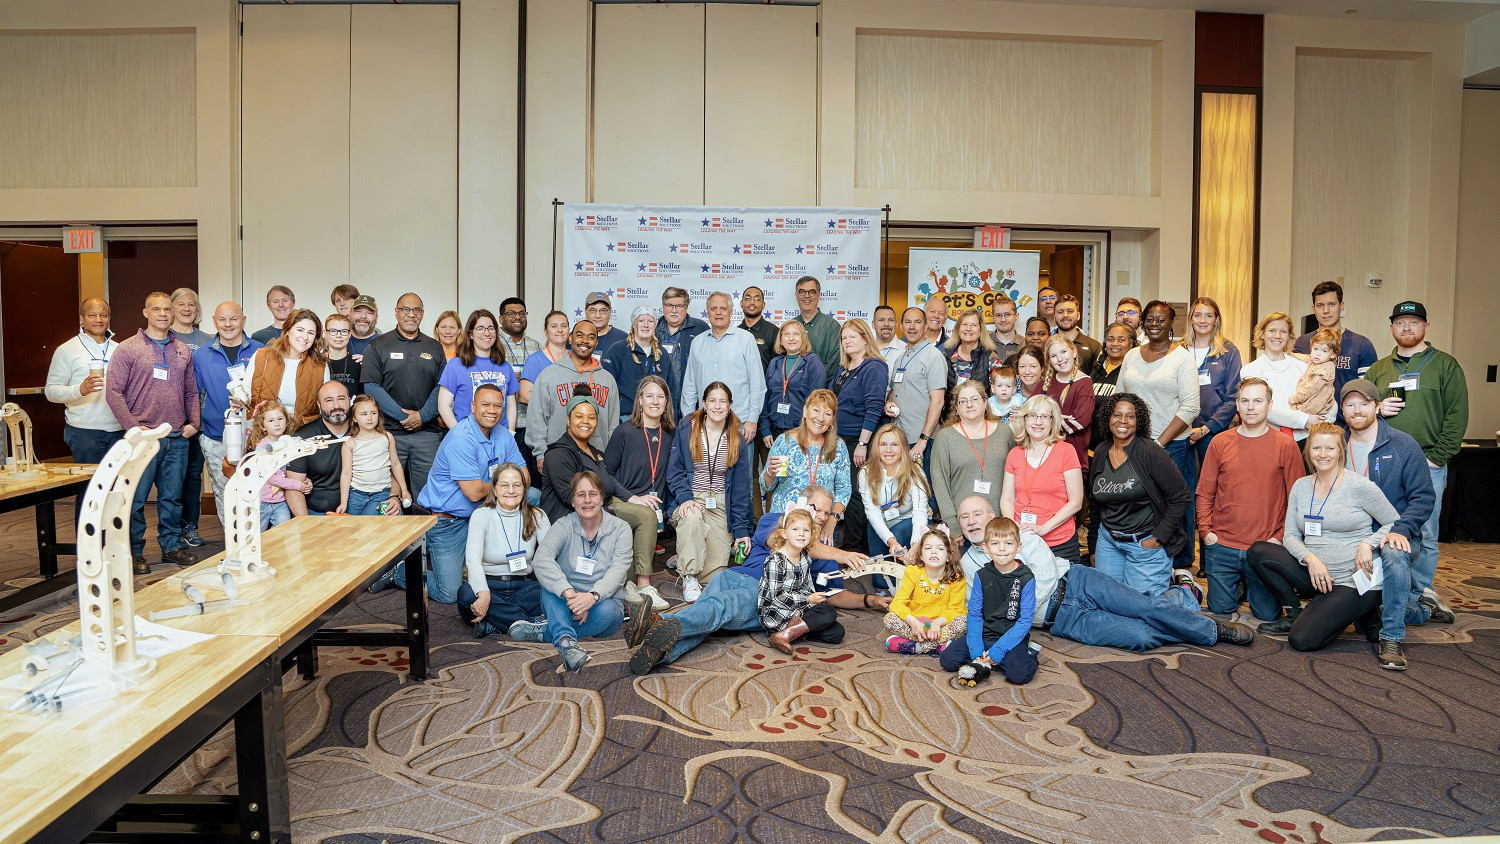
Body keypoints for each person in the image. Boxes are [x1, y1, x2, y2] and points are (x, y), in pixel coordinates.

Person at [621, 484, 886, 675]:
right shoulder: (776, 521)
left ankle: (654, 625)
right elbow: (786, 541)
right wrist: (843, 554)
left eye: (827, 513)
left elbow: (834, 595)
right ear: (802, 503)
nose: (821, 515)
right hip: (731, 575)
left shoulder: (825, 554)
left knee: (716, 610)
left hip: (763, 592)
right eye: (816, 508)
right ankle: (660, 653)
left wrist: (870, 599)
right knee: (708, 616)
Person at [956, 495, 1254, 651]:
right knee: (1139, 636)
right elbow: (979, 606)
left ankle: (1212, 630)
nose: (971, 521)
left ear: (992, 515)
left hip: (1076, 583)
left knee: (1144, 606)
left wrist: (1016, 609)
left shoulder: (1021, 535)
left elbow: (1044, 578)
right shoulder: (969, 563)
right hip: (1062, 621)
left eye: (977, 514)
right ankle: (1182, 596)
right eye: (964, 517)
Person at [1246, 424, 1403, 668]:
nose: (1323, 454)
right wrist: (1311, 559)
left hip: (1353, 581)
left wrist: (1367, 543)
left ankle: (1358, 611)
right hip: (1317, 574)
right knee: (1258, 551)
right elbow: (1289, 536)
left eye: (1329, 448)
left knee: (1301, 639)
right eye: (1316, 448)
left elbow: (1394, 522)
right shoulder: (1300, 486)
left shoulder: (1360, 486)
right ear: (1308, 451)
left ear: (1340, 451)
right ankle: (1298, 612)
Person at [1364, 300, 1468, 601]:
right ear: (1392, 328)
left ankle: (1420, 591)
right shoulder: (1379, 369)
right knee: (1379, 525)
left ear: (1426, 326)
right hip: (1384, 461)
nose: (1406, 327)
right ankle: (1383, 588)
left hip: (1427, 461)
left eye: (1413, 322)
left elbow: (1457, 415)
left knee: (1425, 530)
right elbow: (1357, 410)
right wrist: (1378, 408)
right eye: (1399, 322)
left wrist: (1437, 457)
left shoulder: (1445, 365)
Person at [1338, 379, 1452, 648]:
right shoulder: (1334, 444)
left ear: (1377, 407)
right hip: (1351, 534)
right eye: (1350, 405)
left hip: (1394, 532)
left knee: (1393, 552)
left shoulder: (1403, 445)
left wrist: (1400, 529)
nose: (1357, 410)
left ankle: (1390, 638)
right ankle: (1420, 608)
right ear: (1342, 410)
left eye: (1364, 404)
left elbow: (1423, 497)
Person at [392, 384, 525, 603]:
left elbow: (525, 477)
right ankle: (398, 572)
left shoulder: (503, 433)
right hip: (448, 522)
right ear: (473, 406)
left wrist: (505, 487)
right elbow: (473, 493)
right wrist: (508, 484)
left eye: (497, 405)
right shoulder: (461, 438)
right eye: (485, 405)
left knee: (533, 496)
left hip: (483, 513)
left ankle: (523, 570)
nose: (492, 410)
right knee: (450, 593)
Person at [104, 292, 200, 574]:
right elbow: (113, 393)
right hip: (142, 440)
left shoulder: (182, 349)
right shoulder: (128, 349)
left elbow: (191, 391)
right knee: (134, 499)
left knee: (172, 497)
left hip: (176, 438)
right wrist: (133, 428)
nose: (162, 314)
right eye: (156, 309)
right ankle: (133, 552)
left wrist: (193, 422)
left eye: (167, 309)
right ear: (145, 312)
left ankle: (171, 547)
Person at [1196, 378, 1305, 619]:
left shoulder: (1286, 445)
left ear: (1269, 405)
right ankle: (1236, 586)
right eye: (1245, 401)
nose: (1251, 407)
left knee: (1267, 614)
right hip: (1222, 544)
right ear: (1237, 404)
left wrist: (1279, 538)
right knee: (1221, 609)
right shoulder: (1220, 442)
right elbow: (1205, 492)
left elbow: (1298, 499)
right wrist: (1206, 532)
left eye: (1258, 401)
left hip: (1264, 548)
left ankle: (1248, 585)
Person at [510, 471, 632, 672]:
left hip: (602, 603)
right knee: (549, 585)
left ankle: (548, 632)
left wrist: (591, 598)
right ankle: (566, 642)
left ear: (602, 498)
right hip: (564, 602)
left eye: (592, 494)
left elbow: (618, 571)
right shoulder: (563, 525)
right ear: (573, 501)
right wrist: (569, 594)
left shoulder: (621, 529)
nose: (587, 501)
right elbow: (541, 559)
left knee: (610, 613)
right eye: (580, 495)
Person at [1088, 393, 1193, 602]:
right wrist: (1094, 544)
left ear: (1139, 421)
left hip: (1144, 543)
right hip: (1109, 541)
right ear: (1108, 418)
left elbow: (1181, 496)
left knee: (1143, 609)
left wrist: (1158, 538)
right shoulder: (1101, 451)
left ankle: (1186, 593)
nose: (1123, 421)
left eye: (1130, 416)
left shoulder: (1150, 452)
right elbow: (1094, 500)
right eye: (1117, 415)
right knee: (1111, 603)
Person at [1118, 300, 1199, 568]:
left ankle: (1181, 562)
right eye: (1149, 319)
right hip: (1133, 442)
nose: (1154, 324)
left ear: (1171, 323)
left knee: (1174, 502)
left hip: (1171, 444)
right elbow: (1121, 396)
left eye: (1160, 320)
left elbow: (1191, 407)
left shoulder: (1182, 358)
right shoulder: (1131, 355)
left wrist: (1159, 443)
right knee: (1141, 501)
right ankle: (1146, 555)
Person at [666, 382, 753, 602]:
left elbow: (742, 489)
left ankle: (687, 553)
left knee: (713, 577)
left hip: (721, 503)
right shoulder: (687, 428)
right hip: (691, 496)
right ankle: (688, 575)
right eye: (712, 401)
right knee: (692, 517)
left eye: (722, 401)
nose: (717, 406)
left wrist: (741, 529)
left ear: (730, 405)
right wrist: (685, 498)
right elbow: (674, 471)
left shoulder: (737, 438)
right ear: (704, 404)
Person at [362, 293, 451, 499]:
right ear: (396, 312)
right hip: (391, 434)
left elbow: (442, 387)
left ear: (422, 314)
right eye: (405, 309)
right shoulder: (378, 346)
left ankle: (425, 532)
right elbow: (372, 387)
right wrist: (404, 417)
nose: (411, 315)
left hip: (427, 434)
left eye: (416, 310)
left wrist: (422, 416)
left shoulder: (434, 347)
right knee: (388, 494)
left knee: (428, 495)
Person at [604, 375, 676, 608]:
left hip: (653, 503)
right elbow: (605, 473)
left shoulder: (671, 434)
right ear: (640, 401)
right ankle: (646, 585)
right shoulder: (624, 432)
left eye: (660, 396)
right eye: (649, 396)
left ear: (666, 403)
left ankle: (632, 584)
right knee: (644, 514)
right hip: (620, 499)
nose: (655, 401)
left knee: (626, 581)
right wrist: (632, 497)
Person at [940, 516, 1038, 686]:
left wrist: (998, 651)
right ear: (985, 547)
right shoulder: (981, 575)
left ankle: (1030, 655)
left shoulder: (1026, 578)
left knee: (1019, 675)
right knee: (947, 660)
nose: (1001, 549)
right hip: (985, 634)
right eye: (995, 544)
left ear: (1018, 546)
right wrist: (976, 648)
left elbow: (1025, 621)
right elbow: (975, 614)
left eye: (1008, 543)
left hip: (1011, 637)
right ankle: (988, 656)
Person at [462, 462, 549, 638]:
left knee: (551, 595)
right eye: (504, 485)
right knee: (465, 595)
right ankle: (530, 625)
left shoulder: (537, 515)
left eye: (517, 485)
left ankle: (495, 624)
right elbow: (472, 559)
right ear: (494, 489)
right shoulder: (482, 515)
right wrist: (484, 594)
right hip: (489, 586)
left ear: (524, 490)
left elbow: (550, 557)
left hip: (524, 586)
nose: (511, 490)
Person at [828, 319, 889, 548]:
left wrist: (863, 444)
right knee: (845, 490)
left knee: (857, 493)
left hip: (859, 440)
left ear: (865, 338)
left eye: (853, 337)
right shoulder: (843, 368)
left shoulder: (873, 366)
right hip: (839, 439)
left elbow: (874, 407)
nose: (847, 342)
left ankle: (856, 545)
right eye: (844, 338)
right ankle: (852, 542)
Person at [1002, 395, 1085, 562]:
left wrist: (1043, 528)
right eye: (1032, 416)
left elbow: (1076, 502)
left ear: (1053, 421)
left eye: (1044, 416)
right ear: (1024, 420)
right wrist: (1013, 528)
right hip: (1023, 541)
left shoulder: (1066, 451)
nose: (1037, 422)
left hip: (1059, 543)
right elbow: (1007, 498)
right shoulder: (1014, 454)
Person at [525, 319, 620, 465]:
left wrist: (611, 458)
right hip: (557, 458)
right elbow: (536, 419)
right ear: (570, 338)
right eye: (580, 335)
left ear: (596, 343)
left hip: (597, 459)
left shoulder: (607, 379)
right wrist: (540, 455)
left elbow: (612, 425)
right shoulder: (549, 375)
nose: (585, 341)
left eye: (591, 337)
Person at [46, 297, 124, 469]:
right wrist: (79, 390)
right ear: (82, 318)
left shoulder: (120, 349)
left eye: (103, 315)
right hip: (85, 431)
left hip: (119, 429)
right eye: (92, 315)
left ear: (109, 318)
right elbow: (51, 391)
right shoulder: (67, 350)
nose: (98, 320)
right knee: (89, 490)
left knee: (115, 490)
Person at [680, 292, 767, 445]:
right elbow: (689, 386)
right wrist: (688, 421)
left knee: (740, 469)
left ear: (731, 312)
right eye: (713, 309)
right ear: (708, 312)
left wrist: (752, 420)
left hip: (739, 424)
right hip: (704, 425)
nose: (718, 313)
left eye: (723, 308)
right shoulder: (698, 342)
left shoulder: (745, 339)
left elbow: (757, 383)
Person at [757, 506, 845, 654]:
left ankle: (787, 634)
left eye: (806, 530)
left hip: (797, 610)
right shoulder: (776, 560)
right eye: (795, 529)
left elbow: (807, 585)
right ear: (784, 534)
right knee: (828, 612)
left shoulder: (804, 556)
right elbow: (777, 597)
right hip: (776, 612)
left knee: (837, 632)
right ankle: (784, 633)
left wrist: (815, 598)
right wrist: (808, 599)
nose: (801, 534)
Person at [931, 379, 1015, 533]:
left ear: (985, 403)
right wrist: (952, 523)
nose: (969, 405)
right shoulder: (945, 437)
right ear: (956, 408)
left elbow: (1017, 474)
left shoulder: (1005, 433)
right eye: (963, 401)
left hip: (1001, 522)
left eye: (974, 399)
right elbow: (939, 481)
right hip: (964, 525)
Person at [764, 389, 852, 532]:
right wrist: (770, 472)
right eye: (816, 410)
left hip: (820, 526)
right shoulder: (784, 441)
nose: (821, 418)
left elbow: (844, 489)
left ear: (832, 420)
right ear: (805, 411)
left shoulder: (838, 447)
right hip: (784, 522)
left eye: (827, 414)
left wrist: (831, 521)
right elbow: (767, 485)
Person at [166, 288, 212, 547]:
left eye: (191, 304)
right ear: (171, 308)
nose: (187, 309)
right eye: (181, 304)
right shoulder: (163, 337)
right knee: (172, 477)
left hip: (200, 419)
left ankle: (190, 527)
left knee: (194, 475)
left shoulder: (207, 340)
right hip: (171, 419)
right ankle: (170, 530)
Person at [1241, 311, 1325, 441]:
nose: (1278, 336)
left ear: (1289, 337)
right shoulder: (1250, 371)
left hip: (1305, 438)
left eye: (1283, 332)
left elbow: (1323, 396)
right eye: (1272, 330)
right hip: (1269, 439)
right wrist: (1304, 419)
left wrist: (1322, 420)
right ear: (1262, 334)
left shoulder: (1303, 367)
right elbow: (1263, 408)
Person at [1181, 297, 1242, 473]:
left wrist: (1207, 428)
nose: (1202, 321)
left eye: (1208, 316)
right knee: (1184, 486)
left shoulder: (1229, 351)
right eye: (1197, 315)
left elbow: (1234, 396)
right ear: (1190, 318)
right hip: (1181, 430)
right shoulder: (1179, 350)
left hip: (1215, 430)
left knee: (1213, 484)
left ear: (1216, 320)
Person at [1292, 280, 1379, 402]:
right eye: (1320, 305)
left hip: (1346, 419)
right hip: (1309, 417)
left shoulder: (1362, 345)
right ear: (1313, 308)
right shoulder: (1301, 343)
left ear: (1341, 306)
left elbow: (1370, 393)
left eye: (1331, 304)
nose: (1326, 310)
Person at [245, 308, 330, 432]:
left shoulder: (320, 365)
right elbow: (246, 392)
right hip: (263, 435)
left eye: (311, 333)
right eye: (300, 330)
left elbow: (324, 402)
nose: (305, 337)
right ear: (287, 331)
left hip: (302, 436)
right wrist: (240, 400)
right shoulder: (262, 356)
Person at [884, 528, 967, 654]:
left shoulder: (957, 578)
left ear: (949, 556)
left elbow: (956, 609)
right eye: (928, 548)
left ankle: (915, 646)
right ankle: (938, 645)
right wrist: (914, 623)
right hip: (916, 623)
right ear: (921, 556)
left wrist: (938, 623)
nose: (934, 552)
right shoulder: (913, 572)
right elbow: (897, 603)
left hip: (941, 624)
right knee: (889, 619)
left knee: (965, 621)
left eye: (940, 548)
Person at [884, 306, 947, 468]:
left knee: (923, 490)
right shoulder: (900, 358)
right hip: (900, 437)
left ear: (925, 326)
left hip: (920, 440)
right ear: (901, 327)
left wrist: (923, 440)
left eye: (917, 322)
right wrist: (889, 403)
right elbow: (894, 391)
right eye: (908, 322)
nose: (912, 327)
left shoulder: (934, 357)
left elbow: (938, 401)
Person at [858, 423, 930, 562]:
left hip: (909, 522)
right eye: (883, 444)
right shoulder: (866, 473)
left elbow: (920, 511)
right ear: (876, 448)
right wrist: (891, 541)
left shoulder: (915, 471)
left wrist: (916, 544)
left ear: (903, 447)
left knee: (906, 567)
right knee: (881, 580)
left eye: (895, 445)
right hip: (881, 523)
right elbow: (872, 512)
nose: (888, 450)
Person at [438, 309, 518, 432]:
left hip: (500, 438)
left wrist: (510, 433)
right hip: (467, 437)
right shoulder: (455, 365)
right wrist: (459, 434)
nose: (487, 333)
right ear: (470, 334)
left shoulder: (505, 367)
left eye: (491, 328)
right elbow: (443, 406)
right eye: (480, 328)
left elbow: (511, 405)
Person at [284, 381, 356, 517]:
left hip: (362, 509)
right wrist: (306, 523)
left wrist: (394, 496)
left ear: (349, 400)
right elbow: (293, 488)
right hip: (318, 514)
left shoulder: (365, 430)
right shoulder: (303, 438)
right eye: (329, 400)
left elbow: (388, 466)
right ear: (319, 405)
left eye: (341, 399)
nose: (336, 406)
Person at [338, 394, 411, 515]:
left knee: (369, 525)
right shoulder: (349, 443)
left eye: (373, 413)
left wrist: (404, 490)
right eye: (364, 414)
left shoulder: (386, 437)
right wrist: (343, 502)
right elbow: (346, 473)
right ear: (355, 418)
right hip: (356, 494)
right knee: (355, 529)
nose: (370, 418)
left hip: (381, 493)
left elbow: (395, 464)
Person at [518, 309, 570, 476]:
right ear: (546, 331)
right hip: (544, 433)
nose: (559, 330)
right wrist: (557, 401)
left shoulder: (575, 358)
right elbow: (525, 394)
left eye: (564, 326)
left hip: (570, 431)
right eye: (554, 326)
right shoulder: (536, 359)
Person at [235, 401, 301, 530]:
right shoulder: (263, 448)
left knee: (283, 531)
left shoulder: (288, 443)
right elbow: (272, 477)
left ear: (286, 421)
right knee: (257, 534)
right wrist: (299, 485)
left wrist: (304, 479)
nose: (277, 424)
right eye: (271, 420)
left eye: (280, 419)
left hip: (281, 502)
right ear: (263, 426)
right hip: (261, 502)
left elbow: (293, 469)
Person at [759, 320, 826, 447]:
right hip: (774, 432)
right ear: (781, 339)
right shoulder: (774, 363)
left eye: (796, 334)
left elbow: (816, 402)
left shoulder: (813, 363)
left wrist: (807, 431)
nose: (791, 338)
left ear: (803, 338)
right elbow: (765, 397)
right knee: (776, 467)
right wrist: (765, 429)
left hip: (801, 431)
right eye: (786, 334)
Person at [602, 306, 673, 420]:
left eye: (650, 321)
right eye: (641, 321)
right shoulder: (618, 350)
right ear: (633, 324)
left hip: (656, 417)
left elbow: (670, 390)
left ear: (655, 325)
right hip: (625, 417)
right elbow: (605, 387)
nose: (646, 325)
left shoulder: (662, 354)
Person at [1042, 335, 1095, 467]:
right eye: (1053, 356)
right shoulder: (1044, 384)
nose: (1060, 359)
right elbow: (1028, 415)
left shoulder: (1084, 383)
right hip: (1042, 455)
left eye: (1064, 352)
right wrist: (1056, 418)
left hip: (1073, 458)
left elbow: (1080, 420)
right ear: (1049, 360)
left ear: (1074, 352)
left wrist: (1046, 419)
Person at [654, 286, 708, 401]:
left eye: (679, 306)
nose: (674, 310)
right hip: (658, 399)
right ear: (663, 306)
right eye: (669, 305)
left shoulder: (701, 328)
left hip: (691, 399)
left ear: (686, 307)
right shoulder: (653, 328)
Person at [792, 275, 841, 368]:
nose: (806, 296)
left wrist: (816, 380)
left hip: (823, 382)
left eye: (812, 292)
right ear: (796, 296)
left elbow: (834, 363)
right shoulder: (789, 326)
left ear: (819, 296)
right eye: (802, 292)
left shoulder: (832, 326)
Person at [1289, 327, 1338, 418]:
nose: (1318, 353)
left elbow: (1312, 388)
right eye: (1315, 349)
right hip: (1309, 399)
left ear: (1333, 354)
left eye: (1324, 351)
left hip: (1315, 403)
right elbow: (1305, 357)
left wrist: (1296, 398)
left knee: (1292, 416)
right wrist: (1290, 354)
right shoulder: (1316, 360)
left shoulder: (1326, 367)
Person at [944, 307, 995, 393]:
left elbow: (998, 394)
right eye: (964, 324)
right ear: (958, 329)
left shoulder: (991, 358)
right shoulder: (947, 355)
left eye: (974, 325)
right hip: (952, 406)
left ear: (980, 330)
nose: (968, 329)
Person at [1053, 294, 1101, 374]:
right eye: (1060, 312)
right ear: (1054, 317)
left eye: (1070, 311)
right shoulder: (1047, 346)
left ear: (1078, 316)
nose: (1065, 315)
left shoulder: (1094, 346)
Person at [738, 286, 779, 368]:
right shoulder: (735, 332)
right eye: (747, 298)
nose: (752, 302)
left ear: (763, 305)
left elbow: (779, 367)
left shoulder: (774, 332)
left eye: (757, 299)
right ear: (741, 303)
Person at [324, 312, 361, 396]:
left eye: (344, 331)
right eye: (333, 331)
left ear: (350, 334)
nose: (338, 335)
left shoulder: (358, 364)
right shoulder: (317, 363)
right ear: (325, 333)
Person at [348, 295, 381, 362]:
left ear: (376, 318)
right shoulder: (338, 341)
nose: (363, 316)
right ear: (350, 314)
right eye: (358, 311)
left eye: (369, 312)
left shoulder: (384, 344)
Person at [989, 295, 1022, 362]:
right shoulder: (984, 343)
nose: (1003, 320)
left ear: (1016, 316)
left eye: (1007, 314)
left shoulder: (1025, 344)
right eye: (998, 315)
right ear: (993, 317)